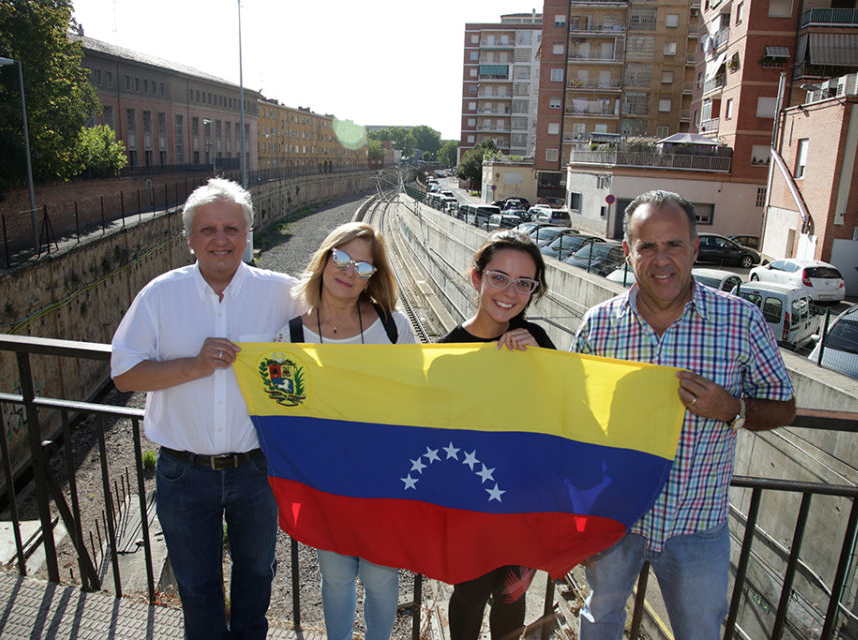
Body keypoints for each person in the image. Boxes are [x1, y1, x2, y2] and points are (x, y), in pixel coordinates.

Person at [570, 190, 796, 639]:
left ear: (695, 248)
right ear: (627, 252)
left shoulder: (742, 321)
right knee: (600, 619)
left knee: (699, 632)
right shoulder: (598, 325)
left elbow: (784, 405)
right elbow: (574, 426)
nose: (661, 259)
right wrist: (580, 522)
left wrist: (733, 409)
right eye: (647, 246)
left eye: (673, 244)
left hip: (696, 525)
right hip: (615, 519)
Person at [110, 178, 304, 640]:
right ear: (191, 238)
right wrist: (194, 366)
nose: (221, 240)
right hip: (183, 471)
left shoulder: (284, 293)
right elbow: (124, 375)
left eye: (232, 229)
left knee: (257, 579)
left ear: (249, 233)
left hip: (256, 470)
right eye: (209, 229)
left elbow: (344, 324)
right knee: (196, 588)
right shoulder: (159, 295)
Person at [268, 221, 416, 640]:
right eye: (342, 258)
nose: (349, 272)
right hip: (325, 485)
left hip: (384, 483)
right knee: (334, 579)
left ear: (374, 277)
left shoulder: (393, 328)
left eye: (363, 267)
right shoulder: (290, 337)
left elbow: (419, 400)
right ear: (326, 257)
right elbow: (283, 415)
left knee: (382, 580)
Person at [439, 229, 555, 640]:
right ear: (477, 278)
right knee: (468, 599)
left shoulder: (538, 342)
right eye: (499, 277)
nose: (510, 292)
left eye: (524, 283)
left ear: (534, 291)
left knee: (512, 598)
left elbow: (563, 417)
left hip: (522, 503)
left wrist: (540, 365)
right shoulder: (447, 350)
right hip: (469, 502)